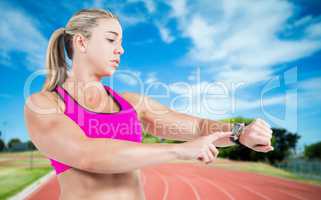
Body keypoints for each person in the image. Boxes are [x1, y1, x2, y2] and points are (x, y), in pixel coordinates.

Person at [24, 8, 273, 200]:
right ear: (81, 43)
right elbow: (87, 154)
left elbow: (197, 128)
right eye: (112, 40)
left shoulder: (133, 103)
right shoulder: (44, 104)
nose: (120, 50)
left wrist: (240, 133)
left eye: (121, 43)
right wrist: (179, 150)